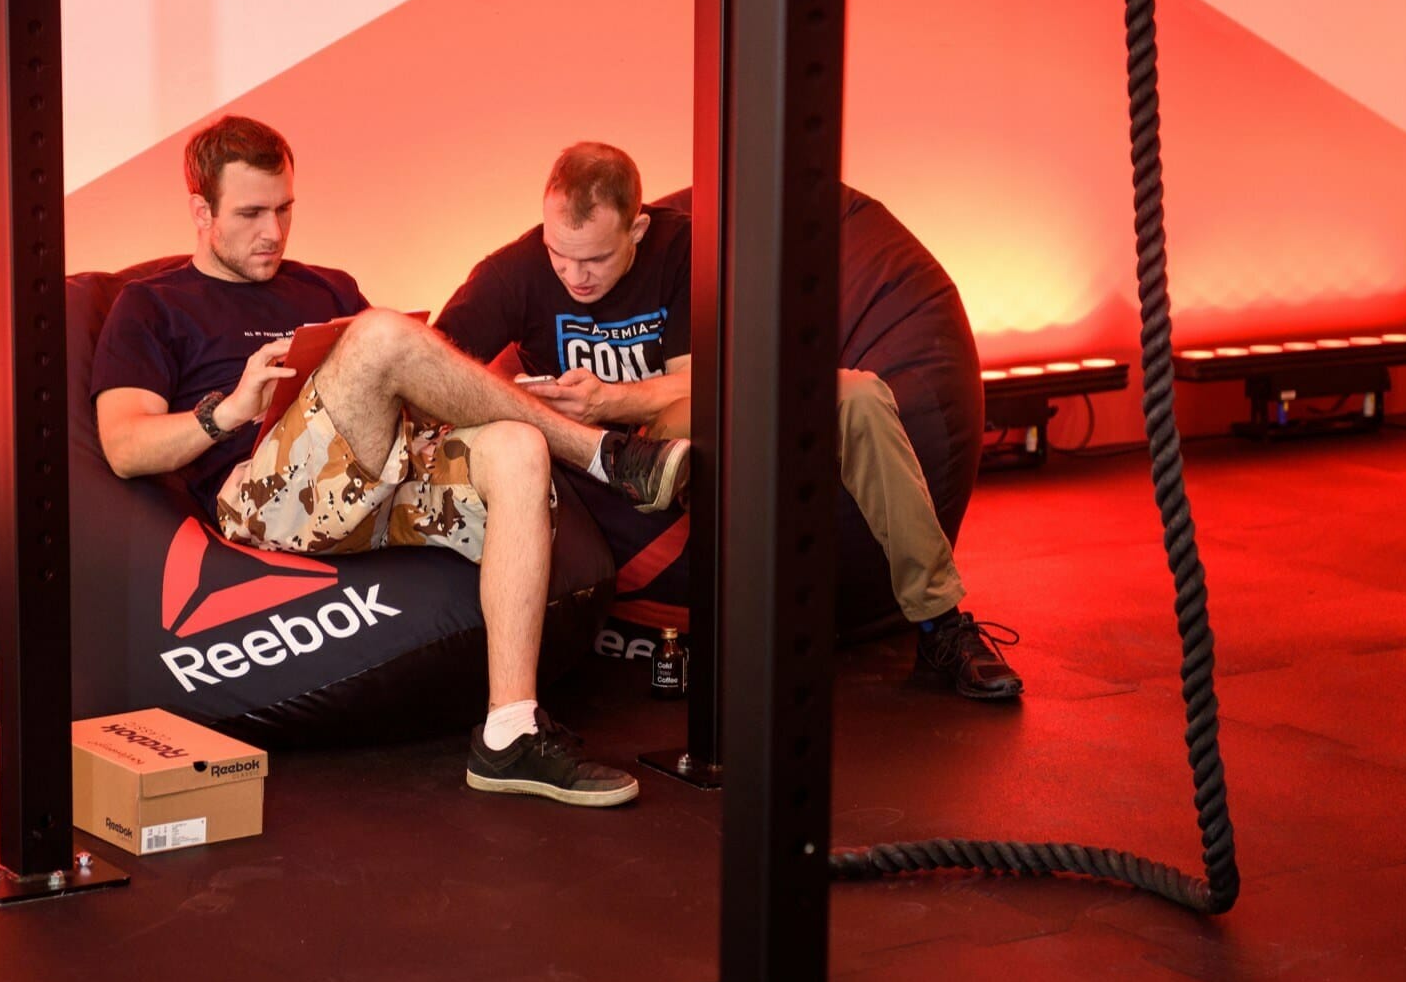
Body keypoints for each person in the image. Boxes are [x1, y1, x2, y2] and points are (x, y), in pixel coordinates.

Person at [93, 116, 691, 808]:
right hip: (262, 497)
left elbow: (397, 390)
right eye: (252, 213)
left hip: (375, 481)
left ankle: (509, 732)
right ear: (201, 211)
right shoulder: (152, 306)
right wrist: (228, 409)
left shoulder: (326, 287)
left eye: (285, 208)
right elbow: (123, 444)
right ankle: (601, 454)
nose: (274, 231)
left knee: (518, 449)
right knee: (383, 334)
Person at [435, 141, 1021, 701]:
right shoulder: (515, 270)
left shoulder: (683, 246)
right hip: (587, 466)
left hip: (672, 433)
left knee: (859, 395)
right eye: (560, 253)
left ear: (637, 228)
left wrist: (609, 399)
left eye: (595, 258)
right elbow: (434, 365)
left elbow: (704, 383)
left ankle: (940, 622)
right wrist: (521, 400)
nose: (574, 274)